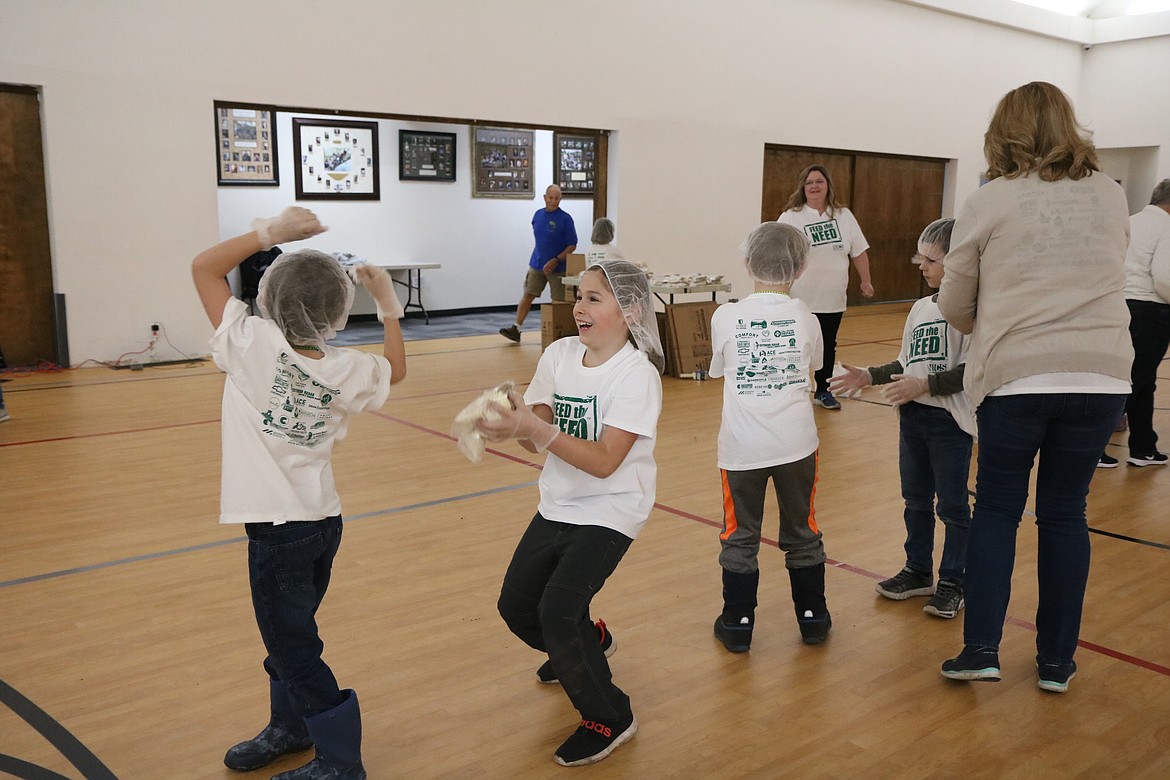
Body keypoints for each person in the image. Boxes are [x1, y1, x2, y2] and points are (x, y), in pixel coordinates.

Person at [192, 206, 407, 779]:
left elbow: (204, 269)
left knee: (294, 647)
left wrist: (269, 234)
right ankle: (289, 730)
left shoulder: (247, 344)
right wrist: (388, 305)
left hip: (278, 532)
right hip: (322, 525)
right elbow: (396, 371)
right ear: (336, 312)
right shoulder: (345, 368)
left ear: (271, 297)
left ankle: (340, 762)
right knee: (289, 633)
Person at [936, 82, 1131, 694]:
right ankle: (1055, 663)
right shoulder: (1110, 195)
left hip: (1017, 377)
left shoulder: (992, 198)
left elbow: (954, 300)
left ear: (1004, 132)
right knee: (1064, 514)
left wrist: (993, 320)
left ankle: (982, 650)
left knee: (996, 509)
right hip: (1101, 376)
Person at [477, 259, 664, 766]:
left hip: (611, 510)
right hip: (558, 503)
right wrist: (517, 422)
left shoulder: (636, 377)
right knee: (516, 608)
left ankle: (610, 715)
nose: (579, 307)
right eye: (578, 296)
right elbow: (540, 430)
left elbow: (605, 462)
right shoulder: (560, 355)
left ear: (630, 312)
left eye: (594, 299)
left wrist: (537, 431)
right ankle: (590, 640)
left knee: (557, 614)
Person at [829, 218, 974, 620]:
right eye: (920, 258)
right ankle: (918, 570)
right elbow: (907, 363)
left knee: (953, 507)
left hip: (949, 424)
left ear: (960, 260)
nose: (922, 266)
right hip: (912, 418)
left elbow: (972, 370)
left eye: (932, 259)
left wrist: (924, 386)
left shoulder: (970, 311)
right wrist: (869, 375)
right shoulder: (919, 308)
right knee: (915, 501)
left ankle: (953, 581)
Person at [709, 222, 832, 651]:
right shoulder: (808, 319)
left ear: (747, 263)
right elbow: (812, 369)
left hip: (741, 449)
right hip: (797, 446)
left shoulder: (725, 316)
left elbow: (720, 370)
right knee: (802, 529)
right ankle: (813, 618)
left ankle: (738, 623)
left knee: (739, 532)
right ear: (799, 268)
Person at [777, 164, 875, 410]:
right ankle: (793, 390)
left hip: (831, 296)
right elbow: (777, 251)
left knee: (827, 344)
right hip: (800, 297)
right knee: (797, 344)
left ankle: (823, 390)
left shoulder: (843, 216)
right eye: (809, 182)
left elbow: (859, 252)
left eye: (819, 181)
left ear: (827, 185)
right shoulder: (791, 216)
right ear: (803, 187)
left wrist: (866, 280)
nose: (814, 186)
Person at [1118, 178, 1170, 467]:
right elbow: (1164, 278)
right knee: (1137, 380)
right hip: (1150, 311)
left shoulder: (1130, 221)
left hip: (1122, 305)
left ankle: (1143, 446)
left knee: (1141, 379)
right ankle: (1095, 446)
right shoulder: (1167, 227)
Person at [500, 185, 577, 342]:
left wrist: (556, 260)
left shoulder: (565, 219)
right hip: (537, 264)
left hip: (558, 267)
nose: (554, 201)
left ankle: (560, 334)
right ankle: (516, 328)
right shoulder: (538, 215)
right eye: (551, 198)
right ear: (545, 197)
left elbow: (572, 245)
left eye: (557, 198)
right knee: (528, 294)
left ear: (560, 199)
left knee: (559, 302)